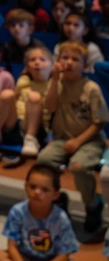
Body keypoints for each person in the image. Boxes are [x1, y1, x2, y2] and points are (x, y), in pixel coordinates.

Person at [37, 42, 109, 233]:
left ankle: (92, 204)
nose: (69, 62)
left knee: (78, 166)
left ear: (85, 65)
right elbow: (50, 107)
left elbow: (99, 122)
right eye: (65, 58)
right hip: (62, 139)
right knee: (44, 160)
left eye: (75, 59)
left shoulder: (91, 88)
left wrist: (78, 142)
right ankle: (58, 199)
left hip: (90, 141)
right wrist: (53, 78)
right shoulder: (57, 84)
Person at [0, 164, 81, 261]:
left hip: (49, 260)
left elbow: (65, 253)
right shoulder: (17, 211)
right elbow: (12, 246)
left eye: (45, 189)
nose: (37, 192)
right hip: (24, 257)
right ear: (26, 187)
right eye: (32, 187)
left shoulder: (60, 218)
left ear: (55, 195)